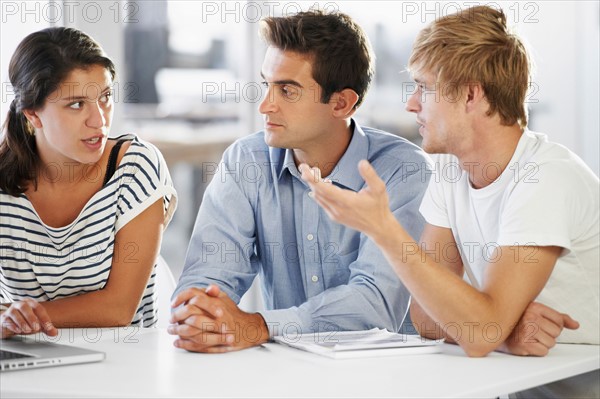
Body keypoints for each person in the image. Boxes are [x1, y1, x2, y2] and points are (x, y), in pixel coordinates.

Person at [301, 5, 599, 398]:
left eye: (424, 87)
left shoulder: (543, 177)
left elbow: (479, 334)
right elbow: (426, 317)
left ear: (471, 94)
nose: (412, 104)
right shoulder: (450, 173)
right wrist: (501, 329)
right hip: (517, 381)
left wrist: (384, 230)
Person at [168, 10, 431, 352]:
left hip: (385, 373)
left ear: (341, 103)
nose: (265, 106)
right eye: (267, 85)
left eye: (287, 91)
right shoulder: (247, 161)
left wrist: (259, 325)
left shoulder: (403, 171)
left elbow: (376, 304)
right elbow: (205, 280)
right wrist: (199, 314)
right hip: (285, 370)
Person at [0, 27, 177, 338]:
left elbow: (118, 308)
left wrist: (19, 318)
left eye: (105, 97)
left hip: (124, 366)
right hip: (29, 359)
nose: (99, 120)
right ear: (33, 115)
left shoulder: (135, 166)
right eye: (76, 104)